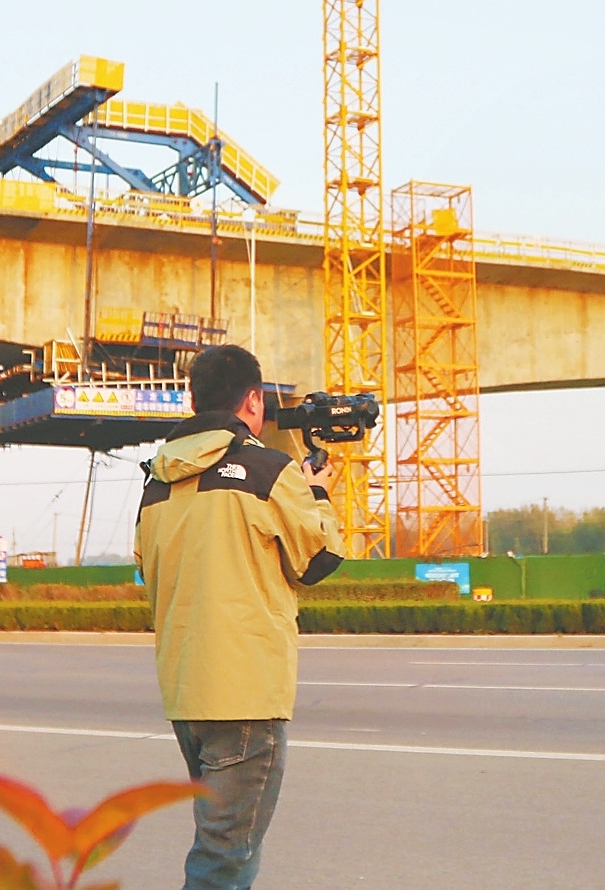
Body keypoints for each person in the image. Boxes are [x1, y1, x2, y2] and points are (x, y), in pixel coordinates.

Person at [134, 343, 344, 890]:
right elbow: (318, 560)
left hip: (186, 692)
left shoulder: (156, 482)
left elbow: (147, 571)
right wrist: (318, 496)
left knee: (229, 848)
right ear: (252, 401)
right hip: (245, 693)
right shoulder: (268, 470)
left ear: (194, 401)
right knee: (224, 856)